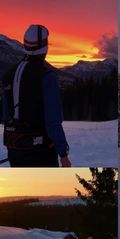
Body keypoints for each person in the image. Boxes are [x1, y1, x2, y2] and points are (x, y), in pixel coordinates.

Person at [2, 24, 71, 167]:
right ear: (44, 46)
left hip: (14, 148)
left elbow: (5, 115)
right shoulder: (47, 76)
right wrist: (63, 154)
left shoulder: (9, 75)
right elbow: (53, 122)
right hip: (41, 152)